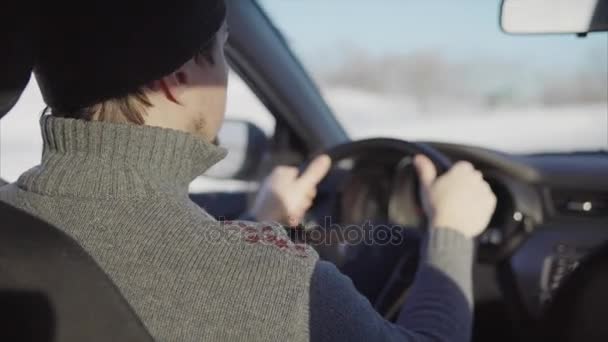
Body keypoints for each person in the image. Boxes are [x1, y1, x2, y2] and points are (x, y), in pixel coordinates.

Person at [0, 1, 496, 341]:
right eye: (221, 52)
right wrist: (451, 231)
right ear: (177, 81)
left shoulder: (13, 225)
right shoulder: (277, 286)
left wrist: (260, 225)